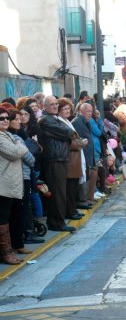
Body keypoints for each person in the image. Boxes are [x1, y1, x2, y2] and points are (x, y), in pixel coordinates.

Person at [38, 96, 76, 233]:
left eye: (56, 104)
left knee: (60, 192)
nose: (55, 106)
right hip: (54, 160)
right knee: (58, 193)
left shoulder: (53, 119)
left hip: (60, 158)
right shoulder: (46, 120)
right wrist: (66, 133)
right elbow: (68, 132)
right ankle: (57, 223)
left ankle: (57, 221)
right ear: (44, 106)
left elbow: (68, 133)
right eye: (51, 104)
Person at [0, 106, 31, 264]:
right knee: (3, 219)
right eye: (2, 118)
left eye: (7, 118)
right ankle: (6, 252)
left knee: (9, 217)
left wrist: (21, 147)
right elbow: (16, 152)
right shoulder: (1, 137)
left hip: (11, 184)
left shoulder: (7, 135)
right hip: (3, 185)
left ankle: (9, 250)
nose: (5, 120)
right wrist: (22, 147)